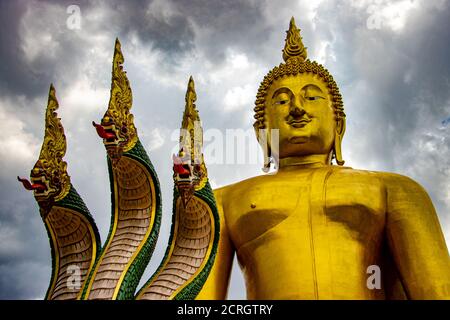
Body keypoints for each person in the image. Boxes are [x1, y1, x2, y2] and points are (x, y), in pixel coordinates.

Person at [196, 17, 450, 300]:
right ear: (262, 133)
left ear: (338, 124)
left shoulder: (393, 189)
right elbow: (198, 301)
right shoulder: (221, 201)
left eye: (312, 98)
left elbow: (437, 291)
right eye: (281, 102)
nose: (296, 110)